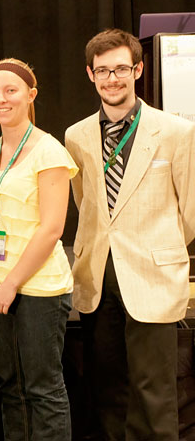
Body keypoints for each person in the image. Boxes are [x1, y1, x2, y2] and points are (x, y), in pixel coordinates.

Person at [65, 28, 195, 440]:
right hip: (98, 278)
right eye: (102, 70)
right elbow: (85, 202)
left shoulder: (175, 132)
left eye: (121, 68)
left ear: (138, 69)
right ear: (90, 74)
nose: (112, 78)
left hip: (153, 276)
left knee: (154, 392)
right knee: (109, 391)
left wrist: (161, 247)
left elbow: (191, 211)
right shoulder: (77, 135)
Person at [0, 58, 77, 440]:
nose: (1, 99)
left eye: (11, 91)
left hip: (37, 288)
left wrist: (11, 283)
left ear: (30, 95)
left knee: (42, 388)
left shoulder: (49, 151)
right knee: (10, 388)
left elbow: (51, 229)